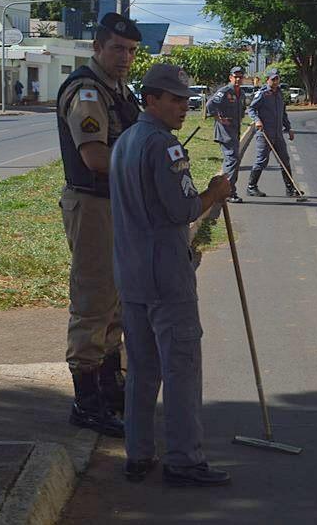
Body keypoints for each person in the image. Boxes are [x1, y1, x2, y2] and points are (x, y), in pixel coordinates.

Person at [109, 63, 232, 486]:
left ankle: (138, 454)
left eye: (185, 98)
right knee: (181, 368)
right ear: (152, 100)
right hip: (166, 275)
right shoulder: (165, 147)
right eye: (175, 99)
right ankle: (184, 460)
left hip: (131, 274)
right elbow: (183, 210)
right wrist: (214, 193)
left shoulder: (125, 141)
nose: (184, 106)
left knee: (142, 370)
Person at [55, 12, 142, 437]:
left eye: (131, 51)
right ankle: (86, 402)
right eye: (117, 49)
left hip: (115, 206)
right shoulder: (87, 91)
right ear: (97, 47)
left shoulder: (116, 90)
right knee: (93, 301)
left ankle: (110, 389)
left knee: (115, 301)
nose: (125, 57)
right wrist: (145, 168)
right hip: (92, 205)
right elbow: (94, 157)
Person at [246, 68, 297, 197]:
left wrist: (289, 128)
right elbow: (251, 109)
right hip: (264, 134)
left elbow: (283, 114)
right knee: (261, 160)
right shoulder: (262, 94)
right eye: (273, 79)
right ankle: (251, 187)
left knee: (284, 160)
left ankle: (290, 189)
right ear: (267, 80)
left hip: (278, 134)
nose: (275, 81)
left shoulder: (280, 94)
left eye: (277, 79)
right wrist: (257, 121)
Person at [205, 66, 246, 203]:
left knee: (233, 160)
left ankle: (226, 190)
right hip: (225, 132)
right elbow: (210, 105)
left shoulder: (241, 93)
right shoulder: (224, 91)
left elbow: (242, 110)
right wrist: (219, 118)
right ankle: (227, 192)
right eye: (236, 76)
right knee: (232, 159)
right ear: (230, 78)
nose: (238, 79)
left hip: (234, 131)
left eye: (240, 76)